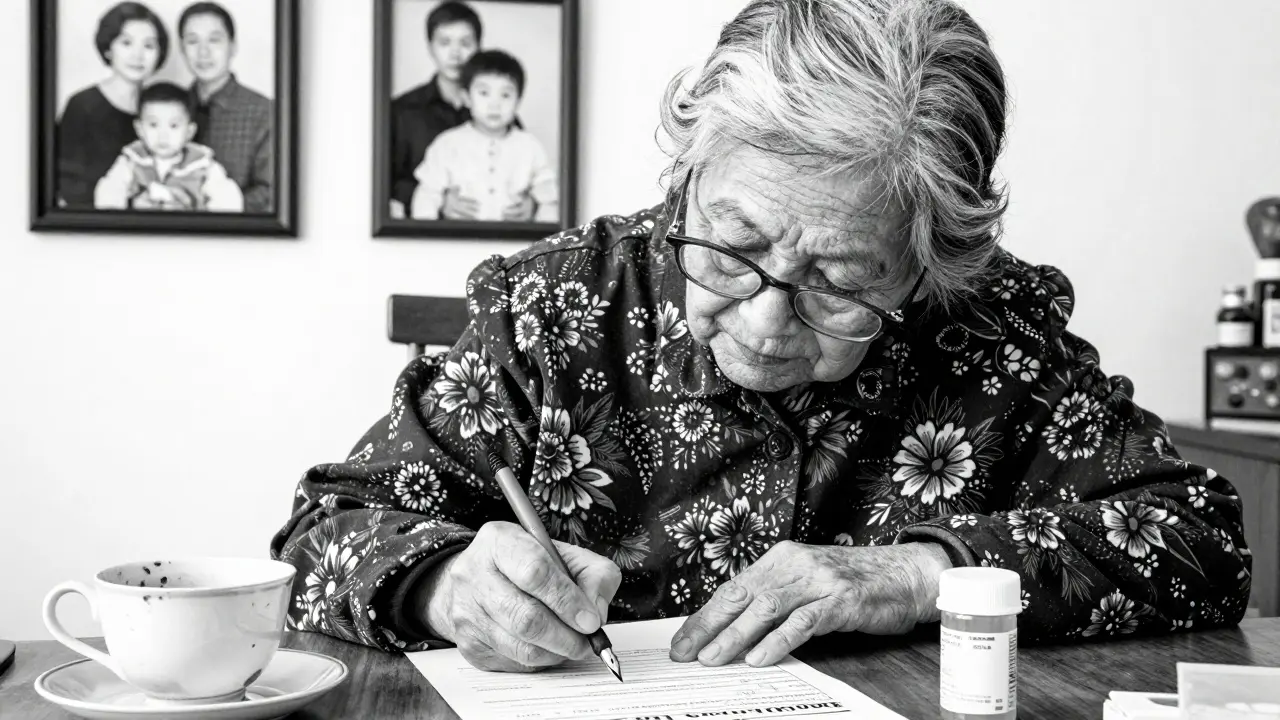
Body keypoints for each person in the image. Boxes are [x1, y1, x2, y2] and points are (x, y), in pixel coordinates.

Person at [272, 0, 1252, 674]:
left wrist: (916, 574)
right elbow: (321, 537)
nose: (765, 317)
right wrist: (446, 586)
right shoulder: (560, 305)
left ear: (926, 266)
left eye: (838, 282)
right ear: (687, 171)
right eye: (732, 246)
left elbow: (1200, 540)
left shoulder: (990, 329)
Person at [388, 1, 533, 222]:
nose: (455, 53)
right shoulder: (401, 110)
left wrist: (531, 203)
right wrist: (438, 200)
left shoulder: (500, 113)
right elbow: (385, 184)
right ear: (430, 46)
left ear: (478, 46)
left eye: (465, 43)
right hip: (421, 239)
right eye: (444, 42)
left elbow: (527, 167)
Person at [410, 51, 558, 223]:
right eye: (484, 93)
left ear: (518, 101)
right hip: (456, 242)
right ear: (466, 98)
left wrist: (537, 213)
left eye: (505, 95)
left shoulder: (531, 147)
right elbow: (427, 195)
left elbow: (550, 201)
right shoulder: (447, 144)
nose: (495, 104)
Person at [56, 2, 168, 209]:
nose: (138, 55)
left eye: (149, 45)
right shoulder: (82, 106)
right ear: (108, 48)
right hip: (95, 230)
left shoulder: (163, 108)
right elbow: (68, 186)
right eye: (126, 43)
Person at [177, 2, 273, 213]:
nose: (204, 52)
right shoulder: (170, 107)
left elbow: (272, 193)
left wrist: (217, 208)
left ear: (233, 46)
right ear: (182, 49)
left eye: (214, 40)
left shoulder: (264, 112)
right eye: (193, 41)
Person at [94, 82, 244, 211]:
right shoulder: (132, 160)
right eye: (153, 125)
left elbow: (229, 201)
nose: (163, 135)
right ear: (139, 129)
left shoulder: (202, 165)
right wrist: (131, 207)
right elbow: (108, 193)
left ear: (189, 132)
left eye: (173, 126)